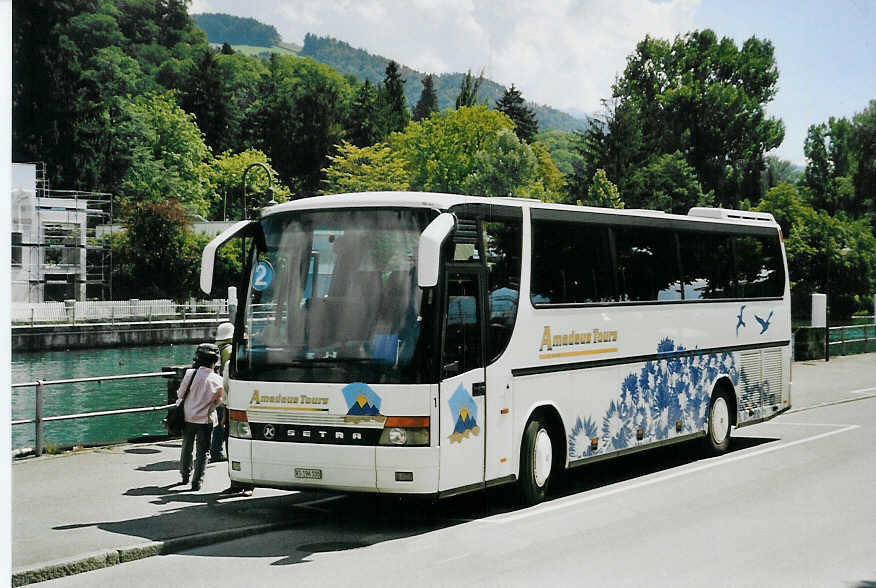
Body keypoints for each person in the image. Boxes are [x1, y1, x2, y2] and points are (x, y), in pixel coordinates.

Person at [177, 343, 224, 491]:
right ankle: (197, 482)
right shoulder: (218, 380)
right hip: (205, 419)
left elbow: (180, 394)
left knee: (186, 447)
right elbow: (219, 401)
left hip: (187, 417)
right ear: (214, 362)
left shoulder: (190, 374)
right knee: (203, 451)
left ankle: (185, 475)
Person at [210, 322, 234, 462]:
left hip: (213, 389)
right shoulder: (229, 350)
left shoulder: (216, 349)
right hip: (225, 390)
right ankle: (220, 452)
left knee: (217, 423)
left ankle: (215, 450)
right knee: (224, 424)